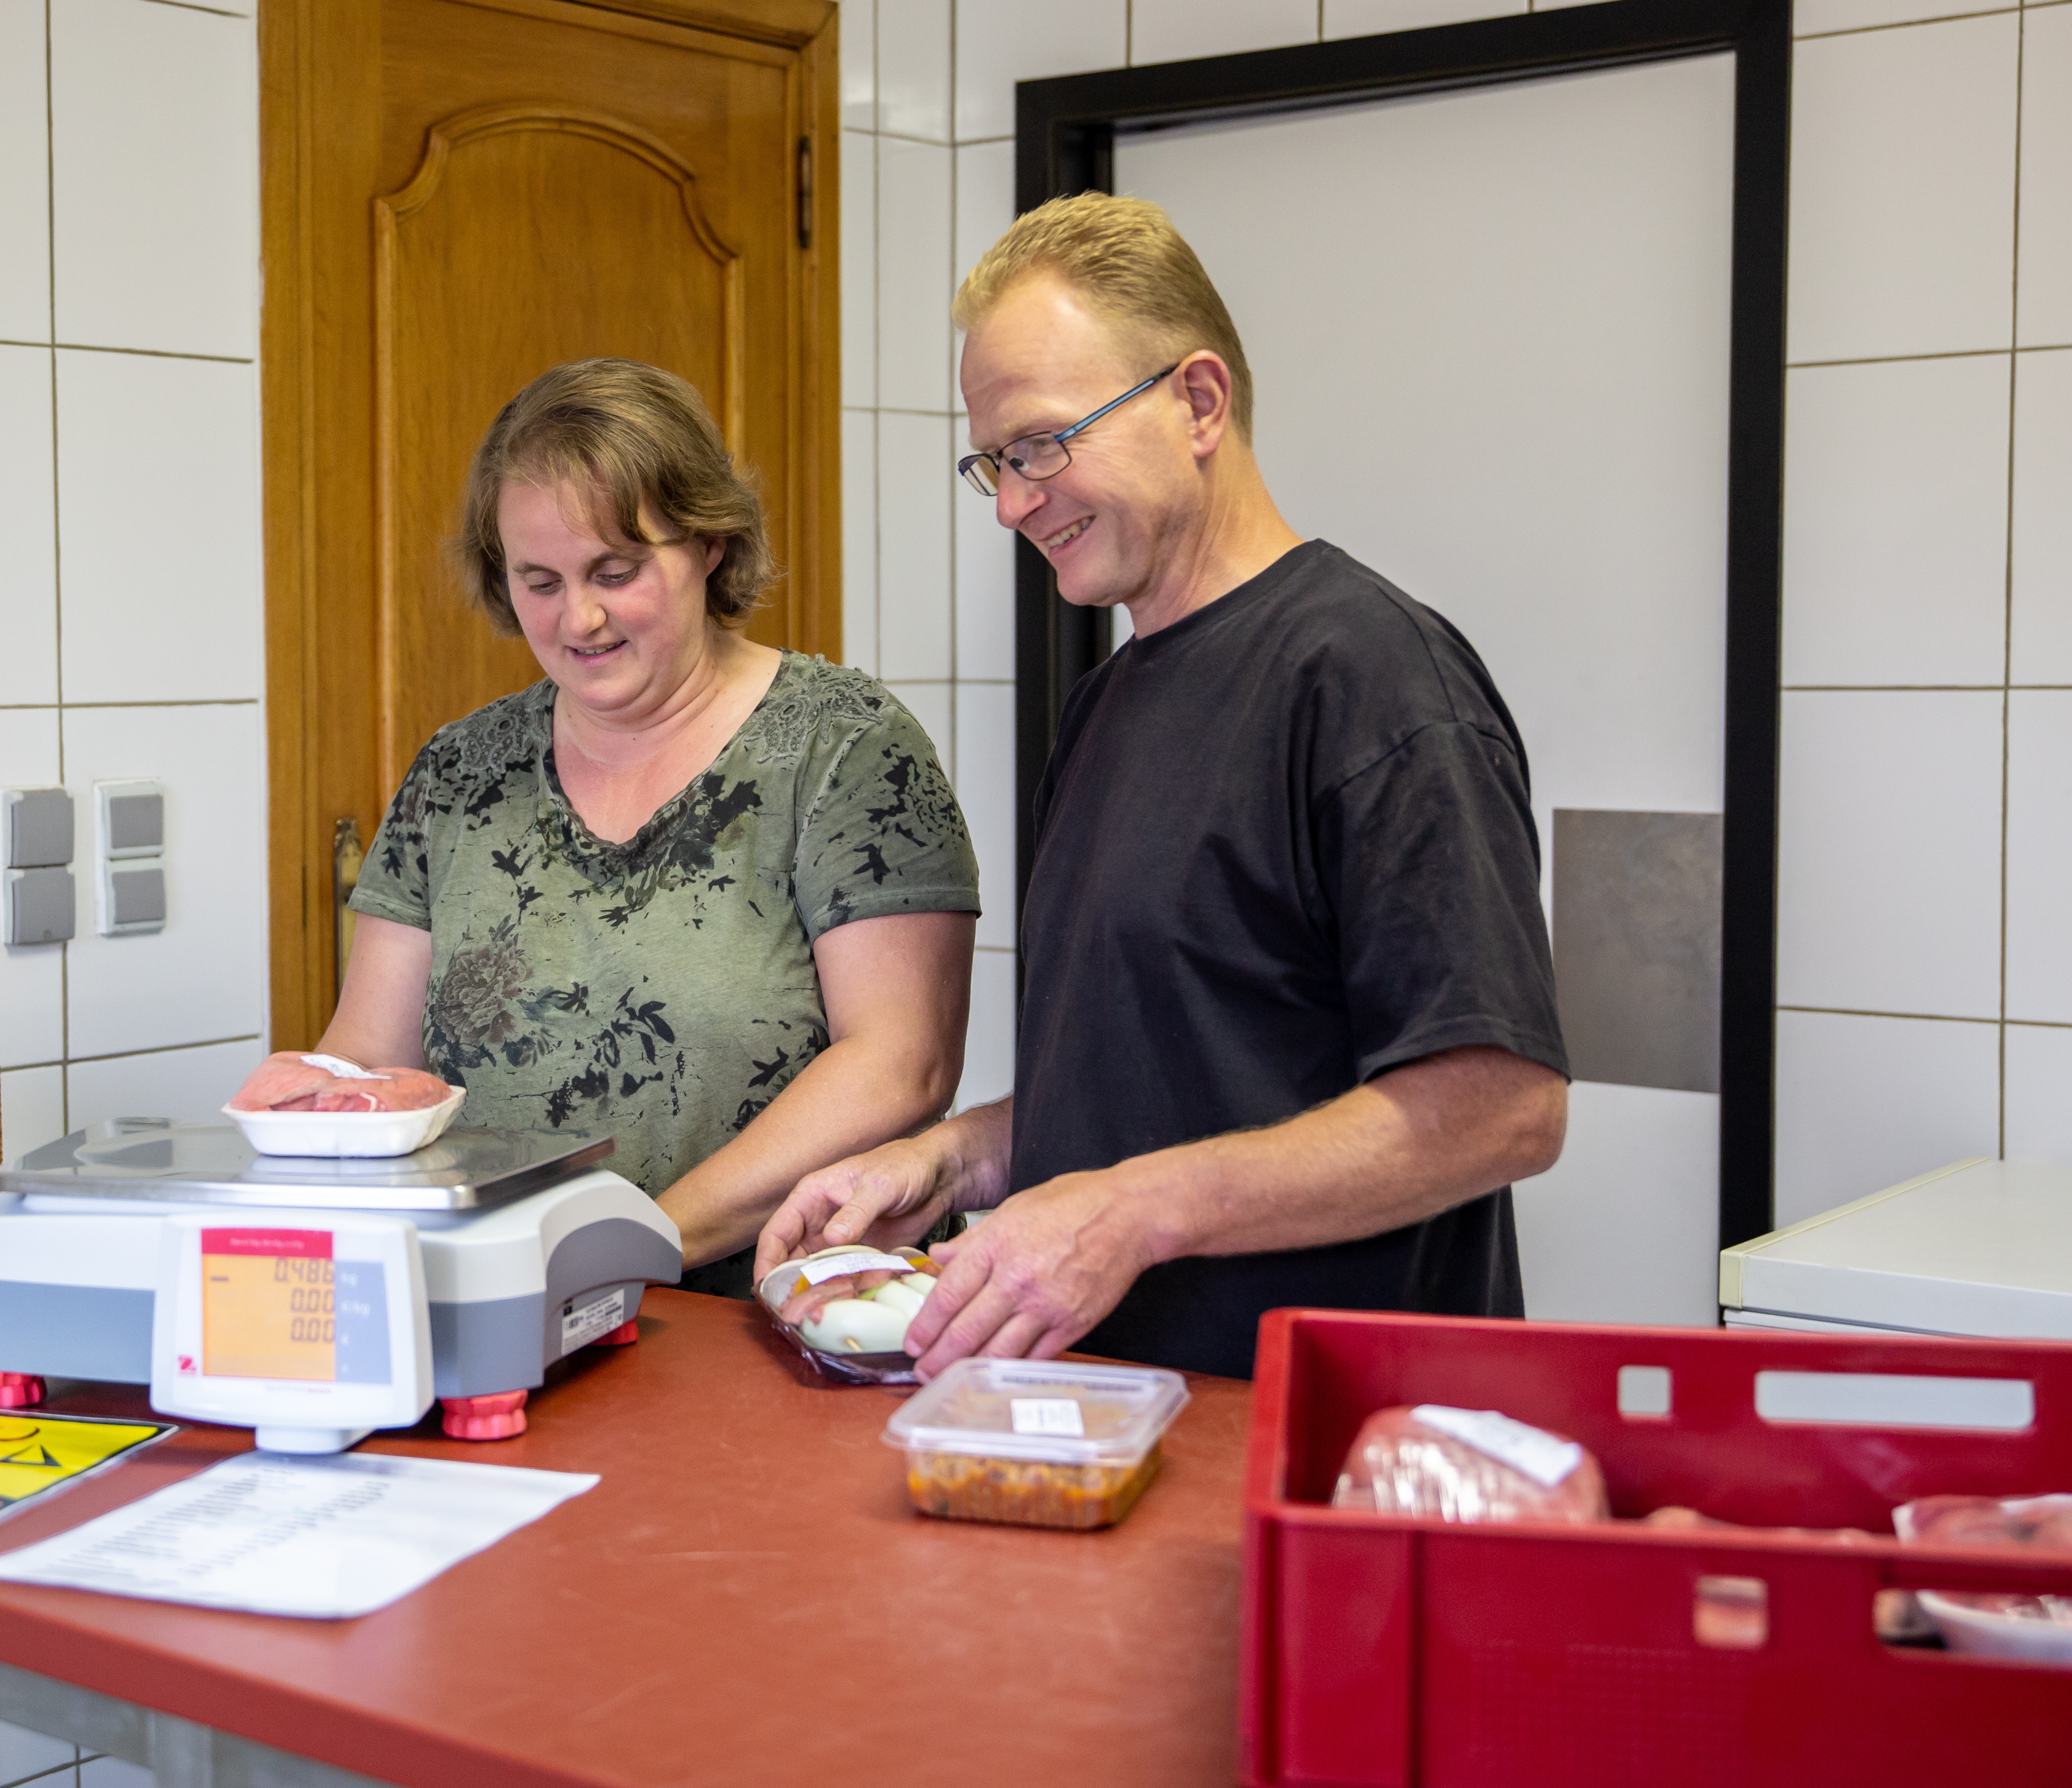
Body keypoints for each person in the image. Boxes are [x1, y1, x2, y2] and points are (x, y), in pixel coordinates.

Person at [756, 194, 1570, 1379]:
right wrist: (950, 1161)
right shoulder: (1108, 704)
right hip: (1114, 1429)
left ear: (1197, 400)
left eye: (1042, 445)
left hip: (1318, 1438)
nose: (1013, 503)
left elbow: (1504, 1107)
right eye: (993, 461)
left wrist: (1134, 1213)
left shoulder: (1372, 679)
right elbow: (1158, 1086)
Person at [317, 357, 980, 1294]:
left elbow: (901, 1066)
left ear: (709, 543)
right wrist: (312, 1098)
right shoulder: (461, 774)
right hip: (516, 1310)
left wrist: (631, 1245)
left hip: (787, 1314)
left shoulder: (845, 749)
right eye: (539, 581)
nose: (578, 618)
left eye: (615, 572)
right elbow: (373, 1055)